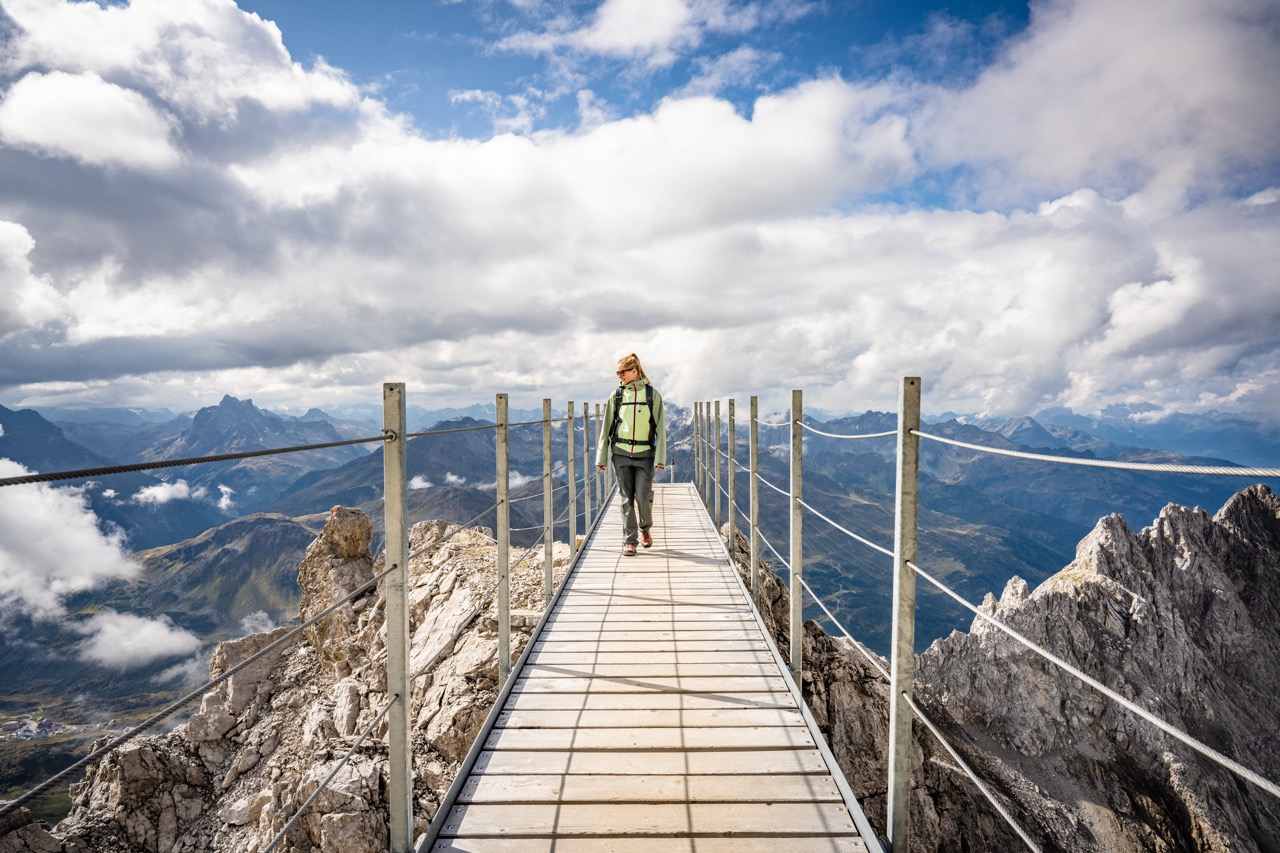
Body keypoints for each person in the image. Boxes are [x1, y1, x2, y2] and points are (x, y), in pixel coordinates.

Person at [596, 353, 666, 556]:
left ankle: (645, 529)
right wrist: (601, 458)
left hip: (645, 454)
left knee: (643, 496)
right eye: (617, 373)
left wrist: (660, 458)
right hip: (621, 453)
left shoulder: (652, 395)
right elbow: (606, 429)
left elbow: (660, 429)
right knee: (626, 498)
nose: (619, 376)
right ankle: (630, 541)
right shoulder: (616, 396)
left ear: (634, 371)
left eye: (622, 372)